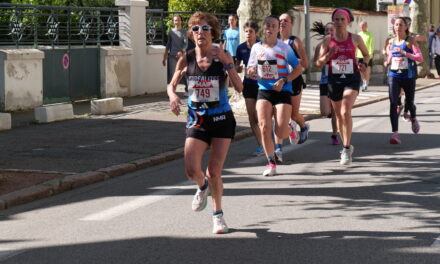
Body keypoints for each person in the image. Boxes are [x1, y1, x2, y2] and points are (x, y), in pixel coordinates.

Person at [167, 12, 243, 234]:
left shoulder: (223, 55)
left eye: (205, 28)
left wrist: (228, 64)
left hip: (221, 119)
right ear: (191, 34)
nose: (201, 32)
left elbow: (239, 87)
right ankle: (202, 187)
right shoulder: (187, 58)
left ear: (213, 32)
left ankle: (218, 216)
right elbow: (171, 85)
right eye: (196, 29)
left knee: (214, 171)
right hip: (197, 120)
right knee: (192, 169)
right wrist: (173, 96)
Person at [247, 16, 302, 176]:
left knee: (281, 132)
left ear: (278, 29)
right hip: (263, 90)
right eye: (267, 25)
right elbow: (250, 67)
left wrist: (284, 80)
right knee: (264, 126)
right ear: (264, 29)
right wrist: (251, 71)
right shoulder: (256, 47)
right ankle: (271, 163)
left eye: (273, 25)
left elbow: (298, 69)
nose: (270, 28)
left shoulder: (284, 48)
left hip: (282, 91)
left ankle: (290, 127)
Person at [316, 8, 370, 165]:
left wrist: (363, 63)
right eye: (336, 20)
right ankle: (346, 145)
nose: (339, 22)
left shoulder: (356, 38)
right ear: (333, 22)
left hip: (351, 78)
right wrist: (329, 54)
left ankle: (346, 148)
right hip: (334, 80)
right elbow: (318, 63)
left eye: (342, 19)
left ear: (348, 22)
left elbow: (366, 54)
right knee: (338, 115)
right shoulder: (327, 40)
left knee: (346, 110)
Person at [272, 12, 310, 162]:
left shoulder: (295, 42)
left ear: (291, 24)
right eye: (280, 20)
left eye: (286, 21)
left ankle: (303, 126)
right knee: (278, 117)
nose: (282, 23)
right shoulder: (273, 41)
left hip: (293, 81)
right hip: (278, 83)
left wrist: (291, 60)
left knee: (293, 115)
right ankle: (278, 149)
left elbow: (306, 64)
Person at [384, 17, 423, 144]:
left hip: (408, 76)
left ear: (406, 27)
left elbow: (420, 58)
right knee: (393, 103)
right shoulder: (391, 41)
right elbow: (391, 54)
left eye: (401, 25)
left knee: (409, 103)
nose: (398, 27)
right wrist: (387, 61)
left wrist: (405, 53)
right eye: (396, 24)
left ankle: (413, 117)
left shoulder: (410, 41)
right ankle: (395, 134)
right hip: (394, 75)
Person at [235, 21, 263, 156]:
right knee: (252, 118)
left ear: (256, 33)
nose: (248, 34)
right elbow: (235, 67)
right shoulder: (240, 48)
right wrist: (237, 68)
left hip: (262, 85)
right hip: (248, 85)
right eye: (246, 31)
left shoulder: (261, 46)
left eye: (250, 31)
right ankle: (261, 145)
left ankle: (270, 142)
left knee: (260, 116)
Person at [311, 21, 340, 145]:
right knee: (324, 112)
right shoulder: (320, 46)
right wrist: (327, 55)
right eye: (327, 31)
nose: (329, 33)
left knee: (335, 112)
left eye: (332, 30)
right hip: (324, 80)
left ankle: (335, 134)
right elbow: (316, 65)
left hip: (338, 81)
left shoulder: (341, 45)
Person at [163, 15, 188, 94]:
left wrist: (182, 51)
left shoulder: (184, 32)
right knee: (173, 73)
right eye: (175, 20)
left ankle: (187, 89)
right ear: (173, 22)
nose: (176, 22)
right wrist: (165, 55)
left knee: (184, 72)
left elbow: (185, 44)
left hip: (182, 56)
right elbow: (168, 44)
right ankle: (172, 91)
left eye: (178, 20)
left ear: (181, 21)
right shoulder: (171, 32)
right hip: (172, 56)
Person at [356, 21, 374, 91]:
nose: (362, 27)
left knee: (367, 71)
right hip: (359, 55)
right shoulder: (358, 35)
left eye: (363, 25)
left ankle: (366, 84)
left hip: (368, 55)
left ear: (366, 26)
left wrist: (370, 54)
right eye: (361, 26)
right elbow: (356, 45)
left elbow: (371, 45)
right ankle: (363, 82)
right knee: (360, 70)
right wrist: (355, 53)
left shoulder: (370, 35)